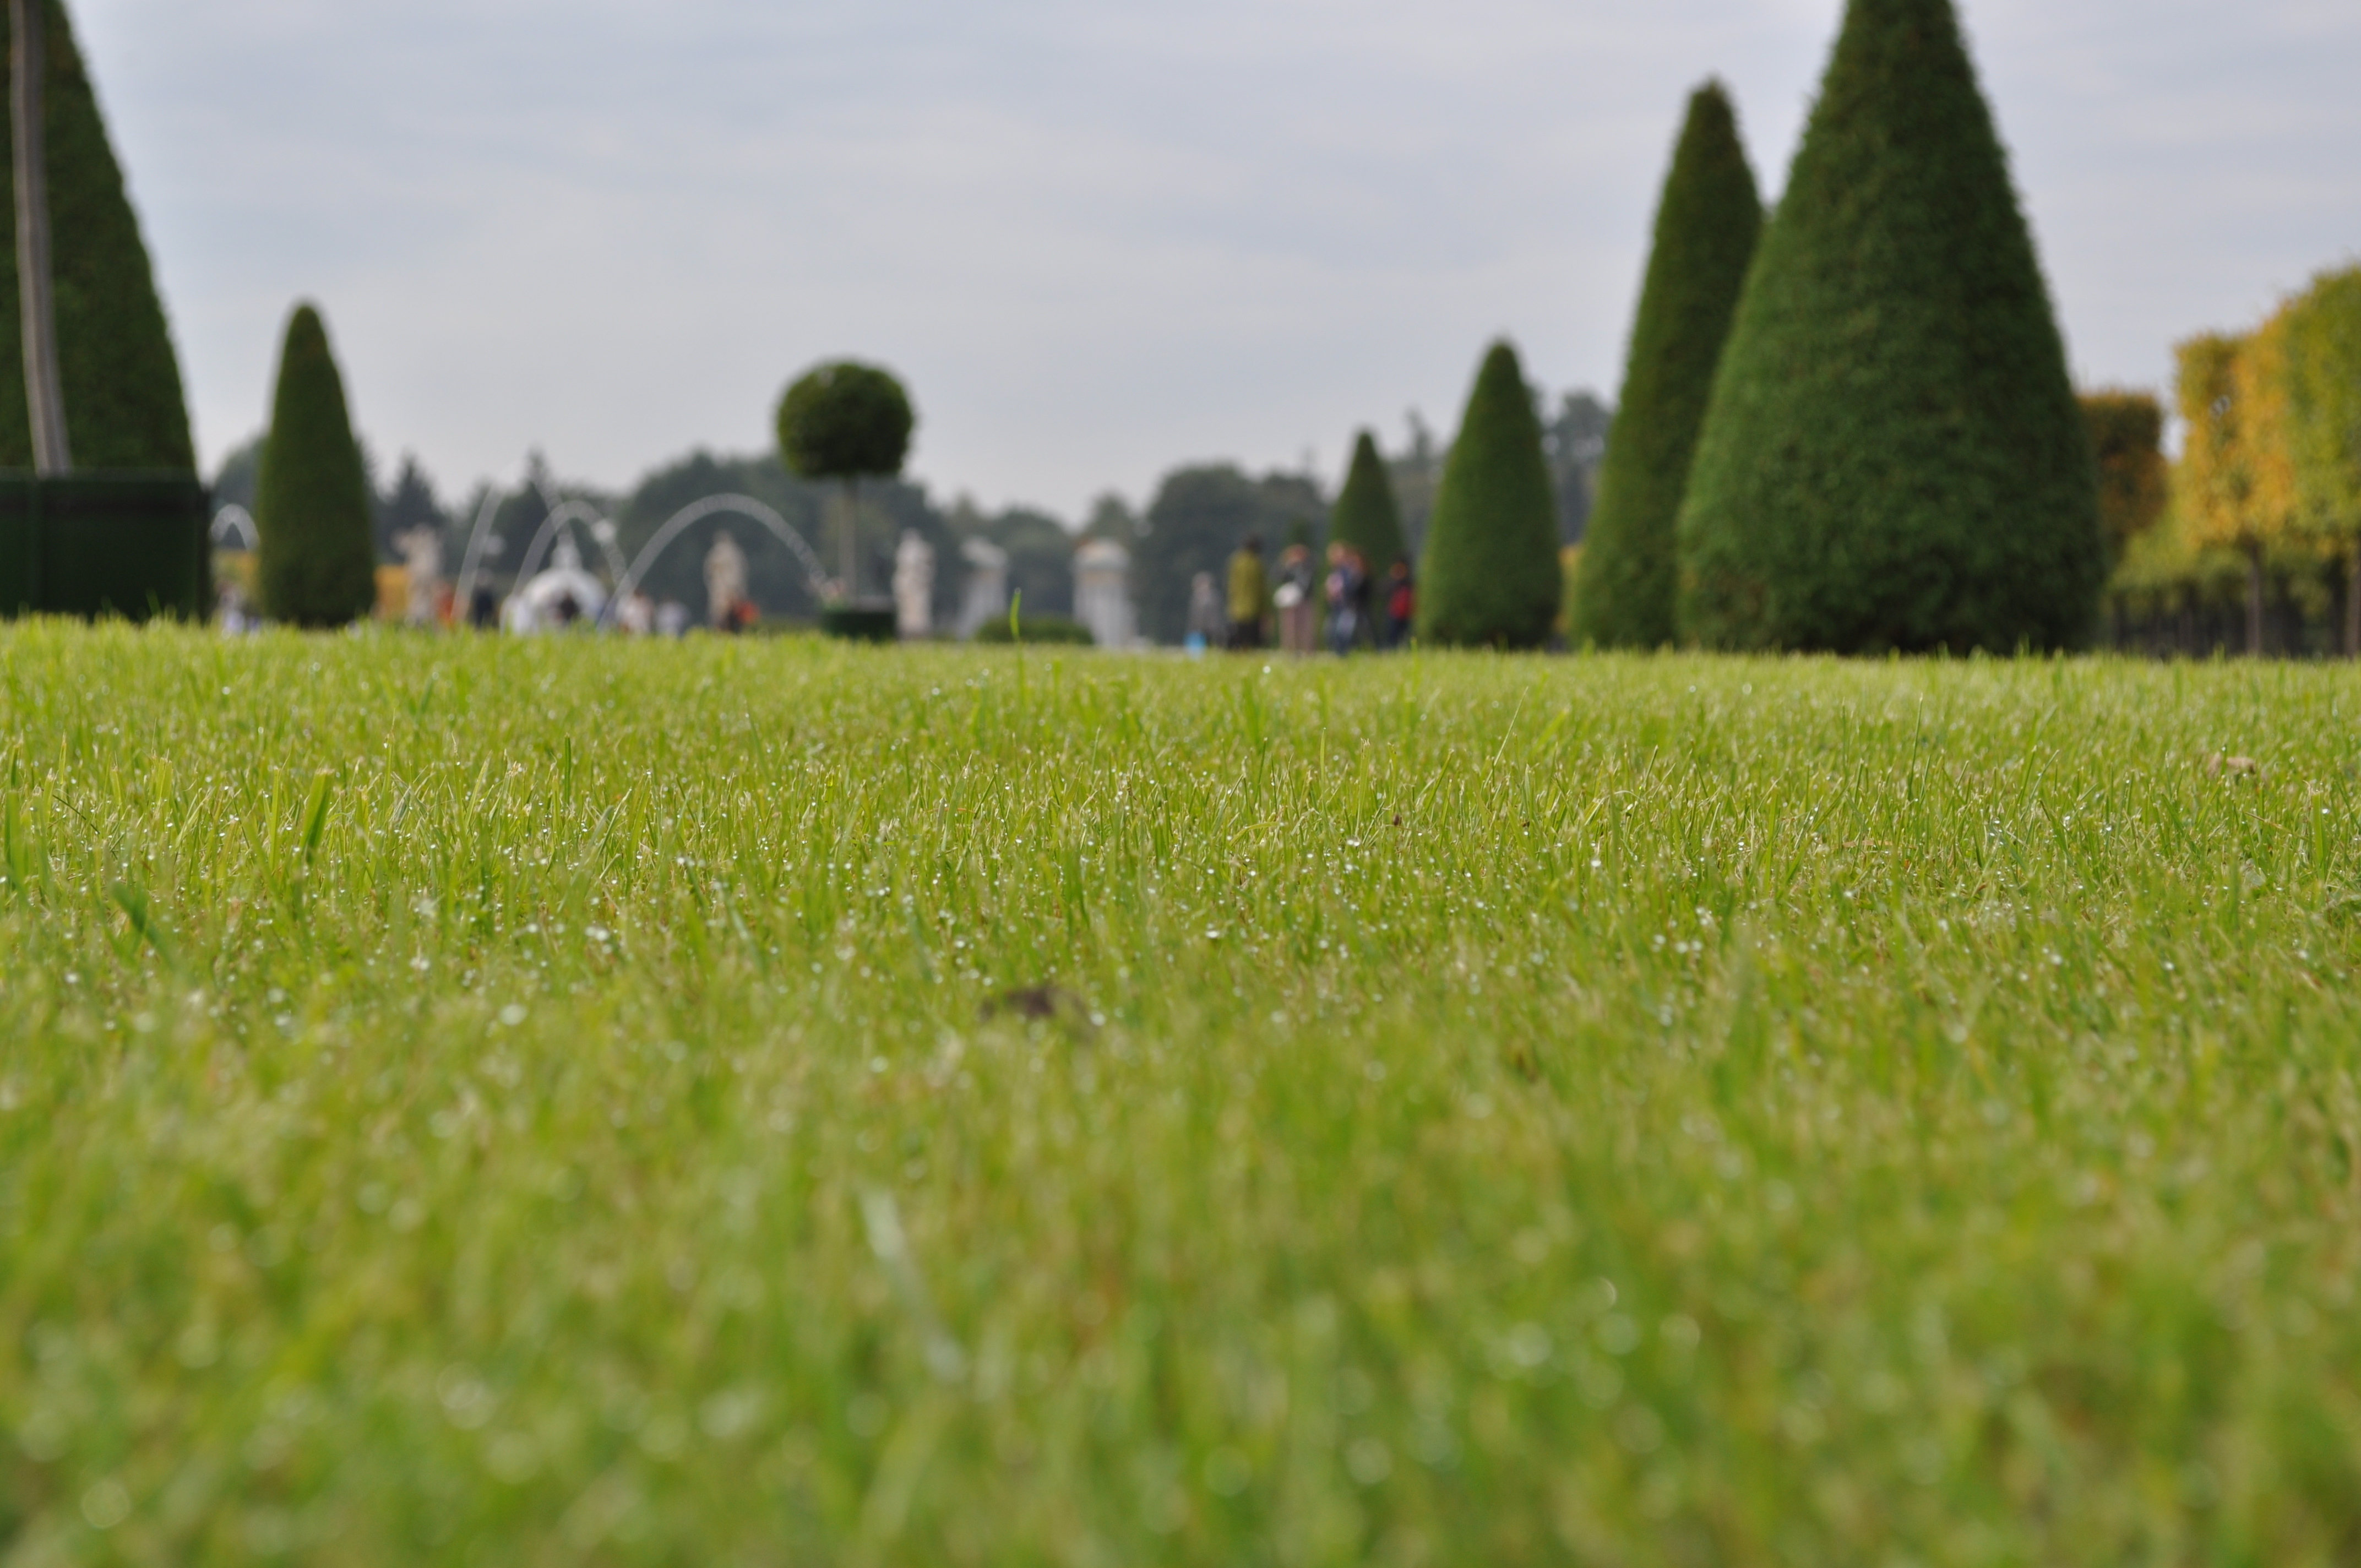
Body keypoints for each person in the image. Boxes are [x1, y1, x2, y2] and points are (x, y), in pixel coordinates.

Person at [1226, 535, 1266, 651]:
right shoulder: (1257, 563)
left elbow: (1231, 586)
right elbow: (1262, 588)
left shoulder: (1236, 562)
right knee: (1252, 639)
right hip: (1254, 608)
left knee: (1238, 637)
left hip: (1238, 608)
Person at [1275, 542, 1316, 656]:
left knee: (1306, 628)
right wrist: (1288, 566)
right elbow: (1278, 577)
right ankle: (1290, 650)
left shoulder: (1308, 566)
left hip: (1304, 600)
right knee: (1289, 628)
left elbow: (1309, 579)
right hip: (1289, 602)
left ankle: (1308, 651)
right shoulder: (1287, 567)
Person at [1185, 570, 1223, 656]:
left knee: (1212, 648)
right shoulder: (1196, 598)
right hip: (1200, 630)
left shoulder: (1213, 597)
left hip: (1211, 630)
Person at [1383, 559, 1415, 649]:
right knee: (1392, 635)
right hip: (1394, 612)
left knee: (1405, 635)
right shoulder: (1392, 581)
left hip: (1405, 613)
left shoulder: (1409, 582)